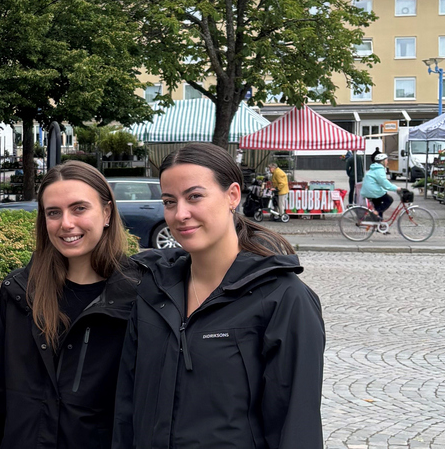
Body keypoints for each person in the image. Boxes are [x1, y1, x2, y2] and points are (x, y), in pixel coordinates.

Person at [113, 143, 325, 449]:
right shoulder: (152, 293)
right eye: (169, 201)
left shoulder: (284, 298)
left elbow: (296, 425)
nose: (180, 213)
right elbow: (127, 408)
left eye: (194, 196)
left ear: (233, 196)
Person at [0, 161, 138, 449]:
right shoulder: (21, 293)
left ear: (107, 212)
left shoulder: (137, 297)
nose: (66, 223)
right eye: (54, 213)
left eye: (79, 208)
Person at [360, 152, 398, 222]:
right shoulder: (379, 169)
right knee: (389, 200)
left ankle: (379, 224)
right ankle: (376, 213)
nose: (387, 162)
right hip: (373, 192)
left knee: (378, 206)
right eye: (386, 160)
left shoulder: (374, 168)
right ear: (382, 161)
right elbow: (384, 183)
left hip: (369, 191)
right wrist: (396, 188)